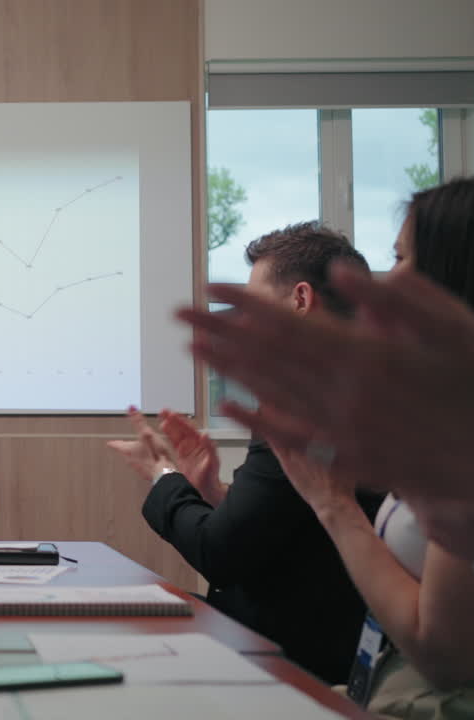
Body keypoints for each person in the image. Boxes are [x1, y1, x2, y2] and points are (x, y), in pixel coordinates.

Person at [184, 177, 474, 715]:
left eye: (403, 259)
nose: (387, 280)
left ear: (453, 273)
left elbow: (445, 657)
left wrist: (332, 503)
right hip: (379, 681)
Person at [108, 222, 382, 684]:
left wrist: (162, 475)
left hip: (287, 664)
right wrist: (214, 490)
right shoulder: (366, 386)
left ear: (300, 299)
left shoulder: (303, 403)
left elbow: (219, 553)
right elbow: (292, 521)